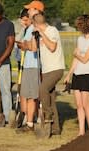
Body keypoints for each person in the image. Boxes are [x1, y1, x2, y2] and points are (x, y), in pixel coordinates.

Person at [63, 14, 89, 136]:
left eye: (79, 25)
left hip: (87, 75)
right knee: (79, 105)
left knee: (86, 104)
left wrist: (76, 54)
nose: (78, 28)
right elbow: (76, 60)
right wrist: (69, 74)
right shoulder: (80, 39)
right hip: (77, 74)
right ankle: (81, 131)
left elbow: (84, 59)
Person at [33, 9, 66, 137]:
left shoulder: (52, 30)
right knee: (51, 98)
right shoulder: (38, 33)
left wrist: (41, 33)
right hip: (46, 69)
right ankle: (55, 129)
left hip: (56, 68)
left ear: (36, 24)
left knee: (42, 90)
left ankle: (47, 115)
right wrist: (33, 36)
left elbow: (52, 47)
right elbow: (33, 48)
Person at [15, 11, 42, 133]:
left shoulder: (33, 28)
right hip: (26, 65)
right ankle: (28, 118)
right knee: (26, 94)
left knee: (32, 95)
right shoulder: (26, 29)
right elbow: (23, 43)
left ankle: (32, 119)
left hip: (33, 65)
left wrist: (25, 45)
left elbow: (29, 46)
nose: (25, 20)